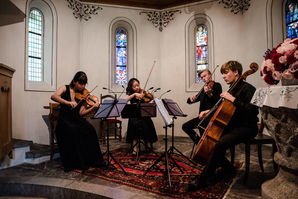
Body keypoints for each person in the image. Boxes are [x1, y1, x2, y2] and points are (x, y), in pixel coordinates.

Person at [186, 61, 259, 191]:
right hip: (234, 126)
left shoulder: (248, 88)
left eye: (226, 73)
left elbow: (253, 111)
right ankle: (227, 169)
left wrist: (232, 99)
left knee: (220, 143)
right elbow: (223, 108)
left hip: (247, 127)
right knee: (213, 140)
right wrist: (208, 112)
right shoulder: (232, 89)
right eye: (223, 74)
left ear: (236, 72)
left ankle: (203, 179)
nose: (224, 76)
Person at [51, 71, 106, 172]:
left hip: (77, 119)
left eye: (84, 84)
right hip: (65, 119)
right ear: (74, 81)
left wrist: (93, 107)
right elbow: (54, 96)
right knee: (74, 131)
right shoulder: (65, 88)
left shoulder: (84, 94)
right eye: (80, 83)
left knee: (91, 130)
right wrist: (68, 102)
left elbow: (81, 113)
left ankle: (92, 161)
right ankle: (78, 162)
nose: (82, 86)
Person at [182, 69, 222, 144]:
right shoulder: (204, 89)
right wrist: (190, 99)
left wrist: (209, 94)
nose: (203, 78)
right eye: (202, 77)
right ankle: (199, 143)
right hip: (202, 117)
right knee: (185, 126)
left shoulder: (217, 85)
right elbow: (191, 101)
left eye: (205, 76)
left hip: (211, 116)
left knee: (205, 135)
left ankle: (206, 147)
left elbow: (218, 102)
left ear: (210, 75)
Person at [125, 78, 158, 155]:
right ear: (131, 87)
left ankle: (148, 146)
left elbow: (149, 98)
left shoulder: (142, 92)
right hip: (134, 115)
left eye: (138, 85)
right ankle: (135, 148)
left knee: (148, 122)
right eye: (135, 86)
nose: (137, 87)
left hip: (144, 114)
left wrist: (151, 100)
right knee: (133, 123)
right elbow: (125, 100)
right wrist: (134, 94)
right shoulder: (130, 93)